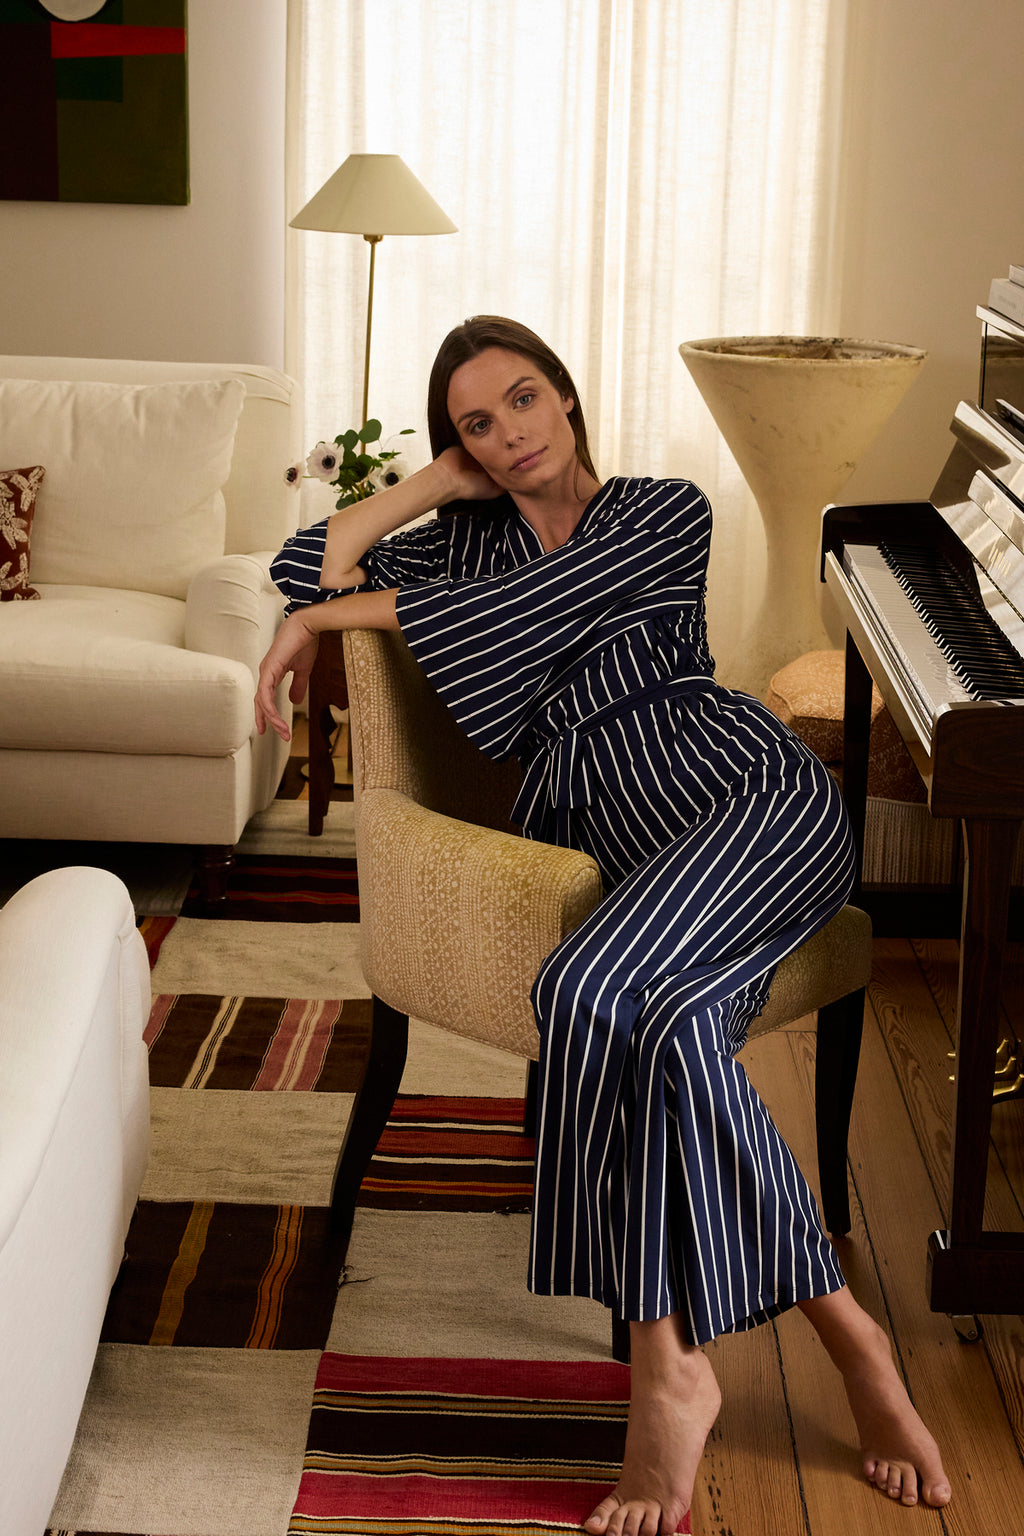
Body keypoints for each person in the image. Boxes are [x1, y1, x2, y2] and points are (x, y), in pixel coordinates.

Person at [255, 316, 951, 1535]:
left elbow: (541, 609)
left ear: (567, 401)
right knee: (670, 1023)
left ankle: (659, 1371)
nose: (509, 433)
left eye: (524, 400)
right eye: (476, 422)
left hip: (744, 796)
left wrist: (331, 621)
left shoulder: (659, 509)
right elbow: (301, 557)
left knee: (582, 988)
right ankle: (848, 1338)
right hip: (627, 843)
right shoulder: (458, 544)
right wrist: (418, 497)